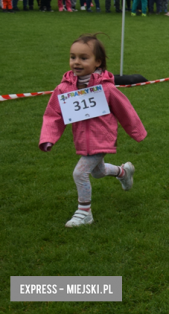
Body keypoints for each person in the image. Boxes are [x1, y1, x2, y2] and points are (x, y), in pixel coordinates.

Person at [39, 34, 146, 227]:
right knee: (98, 172)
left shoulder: (106, 88)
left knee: (80, 173)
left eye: (83, 57)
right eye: (73, 57)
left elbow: (125, 110)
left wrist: (137, 132)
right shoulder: (63, 89)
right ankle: (123, 172)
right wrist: (48, 138)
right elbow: (53, 115)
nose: (76, 62)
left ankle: (84, 212)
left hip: (103, 138)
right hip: (82, 139)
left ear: (98, 62)